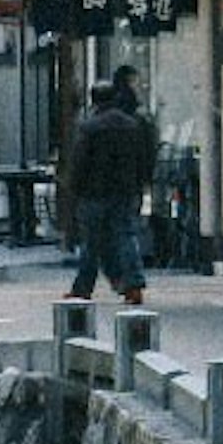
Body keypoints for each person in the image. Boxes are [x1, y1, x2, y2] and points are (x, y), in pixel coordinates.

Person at [62, 70, 155, 305]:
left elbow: (79, 162)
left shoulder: (89, 128)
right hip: (125, 191)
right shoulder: (133, 126)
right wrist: (141, 183)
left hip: (93, 192)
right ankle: (133, 284)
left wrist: (73, 188)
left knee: (91, 242)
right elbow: (145, 158)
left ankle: (84, 287)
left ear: (94, 101)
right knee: (126, 236)